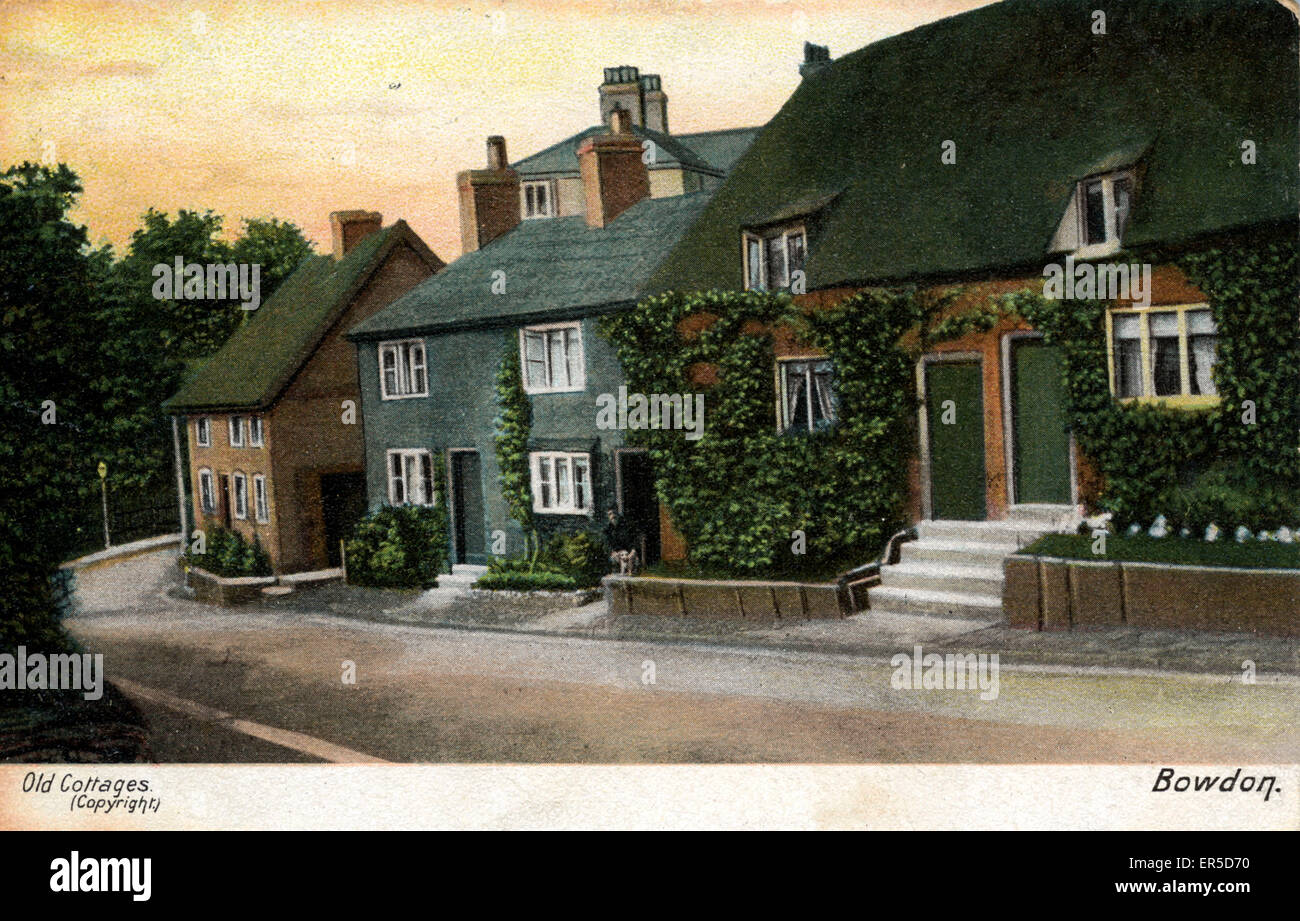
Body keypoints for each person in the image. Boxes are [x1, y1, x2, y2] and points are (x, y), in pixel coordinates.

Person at [604, 508, 638, 575]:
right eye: (610, 514)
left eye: (614, 513)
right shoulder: (608, 530)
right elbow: (607, 544)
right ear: (608, 517)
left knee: (632, 558)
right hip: (616, 553)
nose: (613, 515)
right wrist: (613, 552)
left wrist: (633, 550)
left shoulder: (626, 526)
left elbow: (633, 539)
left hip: (628, 551)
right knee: (614, 559)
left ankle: (630, 574)